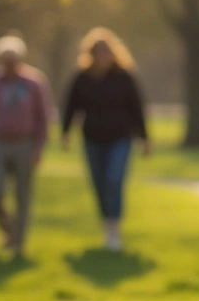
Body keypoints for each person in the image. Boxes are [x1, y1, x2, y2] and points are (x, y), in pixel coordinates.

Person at [61, 28, 151, 251]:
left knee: (113, 180)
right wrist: (65, 132)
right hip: (92, 138)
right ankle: (106, 222)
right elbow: (71, 106)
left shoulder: (123, 77)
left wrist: (144, 137)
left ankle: (114, 228)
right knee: (99, 184)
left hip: (120, 138)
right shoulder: (82, 78)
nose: (102, 56)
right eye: (98, 52)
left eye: (106, 52)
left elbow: (136, 107)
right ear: (90, 54)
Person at [0, 35, 52, 259]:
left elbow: (43, 118)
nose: (9, 64)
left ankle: (18, 243)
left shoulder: (34, 82)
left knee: (23, 194)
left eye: (13, 59)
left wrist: (39, 148)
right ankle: (8, 229)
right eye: (5, 60)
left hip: (25, 143)